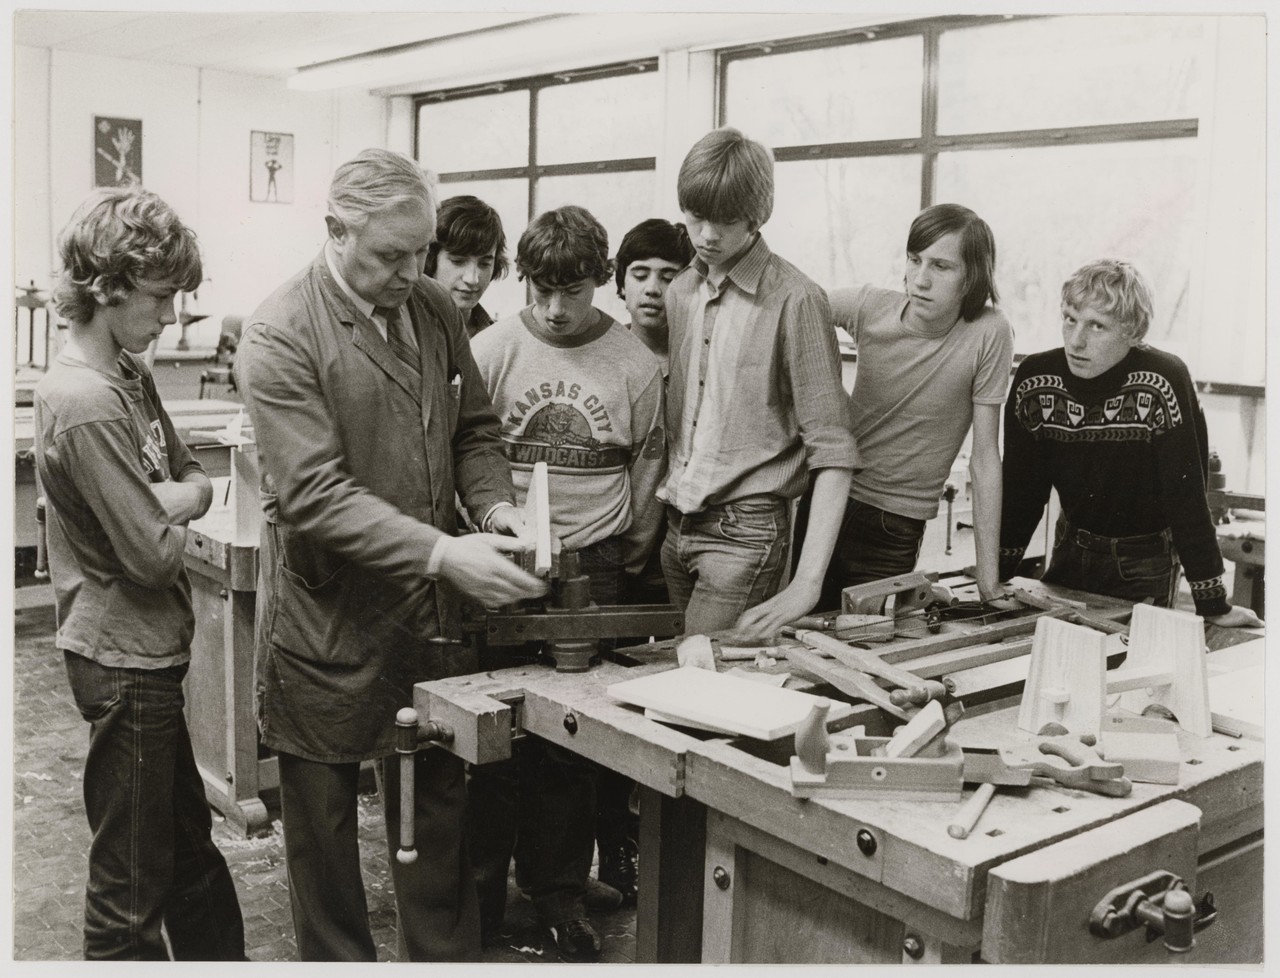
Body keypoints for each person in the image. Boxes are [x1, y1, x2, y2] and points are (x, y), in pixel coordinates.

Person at [234, 148, 547, 962]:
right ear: (335, 231)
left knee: (432, 829)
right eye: (390, 255)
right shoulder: (280, 334)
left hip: (426, 626)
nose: (414, 270)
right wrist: (445, 553)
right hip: (326, 629)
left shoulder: (434, 308)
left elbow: (474, 429)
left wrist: (498, 507)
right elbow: (314, 495)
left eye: (422, 249)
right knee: (326, 852)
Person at [33, 186, 246, 960]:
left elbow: (194, 475)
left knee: (188, 859)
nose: (169, 316)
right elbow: (153, 554)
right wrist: (170, 505)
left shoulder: (128, 372)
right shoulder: (84, 401)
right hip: (122, 659)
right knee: (129, 897)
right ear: (106, 286)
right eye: (159, 297)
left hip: (150, 651)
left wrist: (173, 496)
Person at [468, 205, 666, 959]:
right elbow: (468, 455)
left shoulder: (635, 365)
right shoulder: (490, 349)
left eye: (574, 292)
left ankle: (557, 895)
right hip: (503, 565)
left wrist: (622, 546)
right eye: (541, 290)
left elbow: (648, 465)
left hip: (597, 569)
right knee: (489, 739)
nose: (555, 310)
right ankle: (480, 898)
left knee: (569, 751)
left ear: (601, 283)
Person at [658, 126, 859, 639]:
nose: (706, 235)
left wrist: (808, 583)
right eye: (696, 216)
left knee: (702, 687)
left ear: (758, 214)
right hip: (677, 525)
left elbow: (833, 452)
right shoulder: (681, 291)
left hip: (745, 534)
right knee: (689, 685)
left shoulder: (796, 299)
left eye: (725, 221)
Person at [999, 259, 1263, 628]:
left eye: (1097, 325)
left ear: (1133, 332)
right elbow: (1021, 493)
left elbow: (1185, 499)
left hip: (1144, 563)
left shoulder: (1163, 380)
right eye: (1070, 318)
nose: (1076, 340)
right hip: (1069, 550)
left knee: (1128, 672)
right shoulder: (1035, 379)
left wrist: (1212, 603)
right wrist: (993, 580)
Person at [802, 203, 1014, 613]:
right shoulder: (869, 305)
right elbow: (791, 310)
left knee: (867, 641)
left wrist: (989, 583)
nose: (920, 280)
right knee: (796, 635)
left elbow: (985, 458)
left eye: (941, 266)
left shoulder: (990, 332)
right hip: (825, 497)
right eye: (915, 260)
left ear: (972, 276)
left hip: (894, 524)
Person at [614, 217, 695, 373]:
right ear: (622, 284)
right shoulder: (602, 354)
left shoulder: (702, 360)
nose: (652, 289)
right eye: (640, 275)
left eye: (668, 278)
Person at [424, 193, 510, 338]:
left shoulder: (499, 338)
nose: (473, 279)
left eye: (485, 263)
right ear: (429, 259)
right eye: (458, 261)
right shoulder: (408, 334)